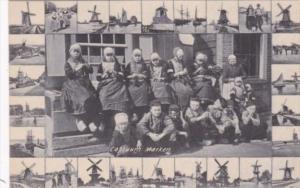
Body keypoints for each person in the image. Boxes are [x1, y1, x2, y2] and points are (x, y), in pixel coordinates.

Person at [61, 44, 102, 135]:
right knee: (83, 98)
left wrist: (86, 66)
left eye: (77, 51)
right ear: (70, 52)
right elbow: (69, 75)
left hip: (85, 83)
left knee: (93, 97)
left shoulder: (82, 60)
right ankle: (79, 120)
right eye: (74, 51)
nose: (76, 53)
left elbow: (91, 70)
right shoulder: (68, 63)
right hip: (72, 84)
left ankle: (91, 121)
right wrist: (77, 68)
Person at [97, 47, 130, 132]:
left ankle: (119, 122)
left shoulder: (117, 64)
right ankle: (103, 121)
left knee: (122, 94)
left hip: (116, 83)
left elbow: (121, 75)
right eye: (108, 55)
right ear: (104, 55)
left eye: (111, 54)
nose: (109, 56)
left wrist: (114, 72)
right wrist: (104, 75)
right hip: (106, 83)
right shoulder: (101, 64)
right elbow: (98, 77)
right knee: (103, 96)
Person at [125, 49, 150, 120]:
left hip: (142, 84)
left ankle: (142, 115)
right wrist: (132, 76)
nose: (137, 57)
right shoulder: (129, 65)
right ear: (133, 56)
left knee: (143, 97)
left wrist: (140, 75)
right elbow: (125, 75)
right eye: (136, 56)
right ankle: (134, 115)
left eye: (139, 56)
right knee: (131, 99)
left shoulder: (144, 65)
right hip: (132, 85)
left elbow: (147, 75)